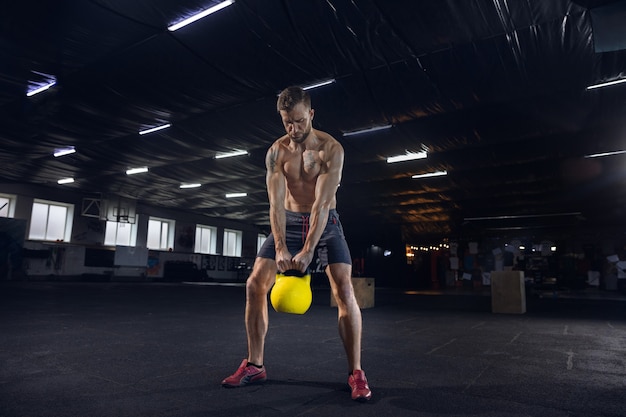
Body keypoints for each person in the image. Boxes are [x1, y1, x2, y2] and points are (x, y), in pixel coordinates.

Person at [221, 86, 372, 402]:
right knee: (254, 285)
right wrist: (280, 248)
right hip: (288, 220)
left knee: (344, 290)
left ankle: (356, 372)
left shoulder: (331, 150)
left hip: (326, 222)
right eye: (287, 122)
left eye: (300, 121)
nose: (294, 128)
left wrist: (306, 251)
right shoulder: (276, 152)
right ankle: (255, 365)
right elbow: (275, 204)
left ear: (311, 114)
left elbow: (321, 204)